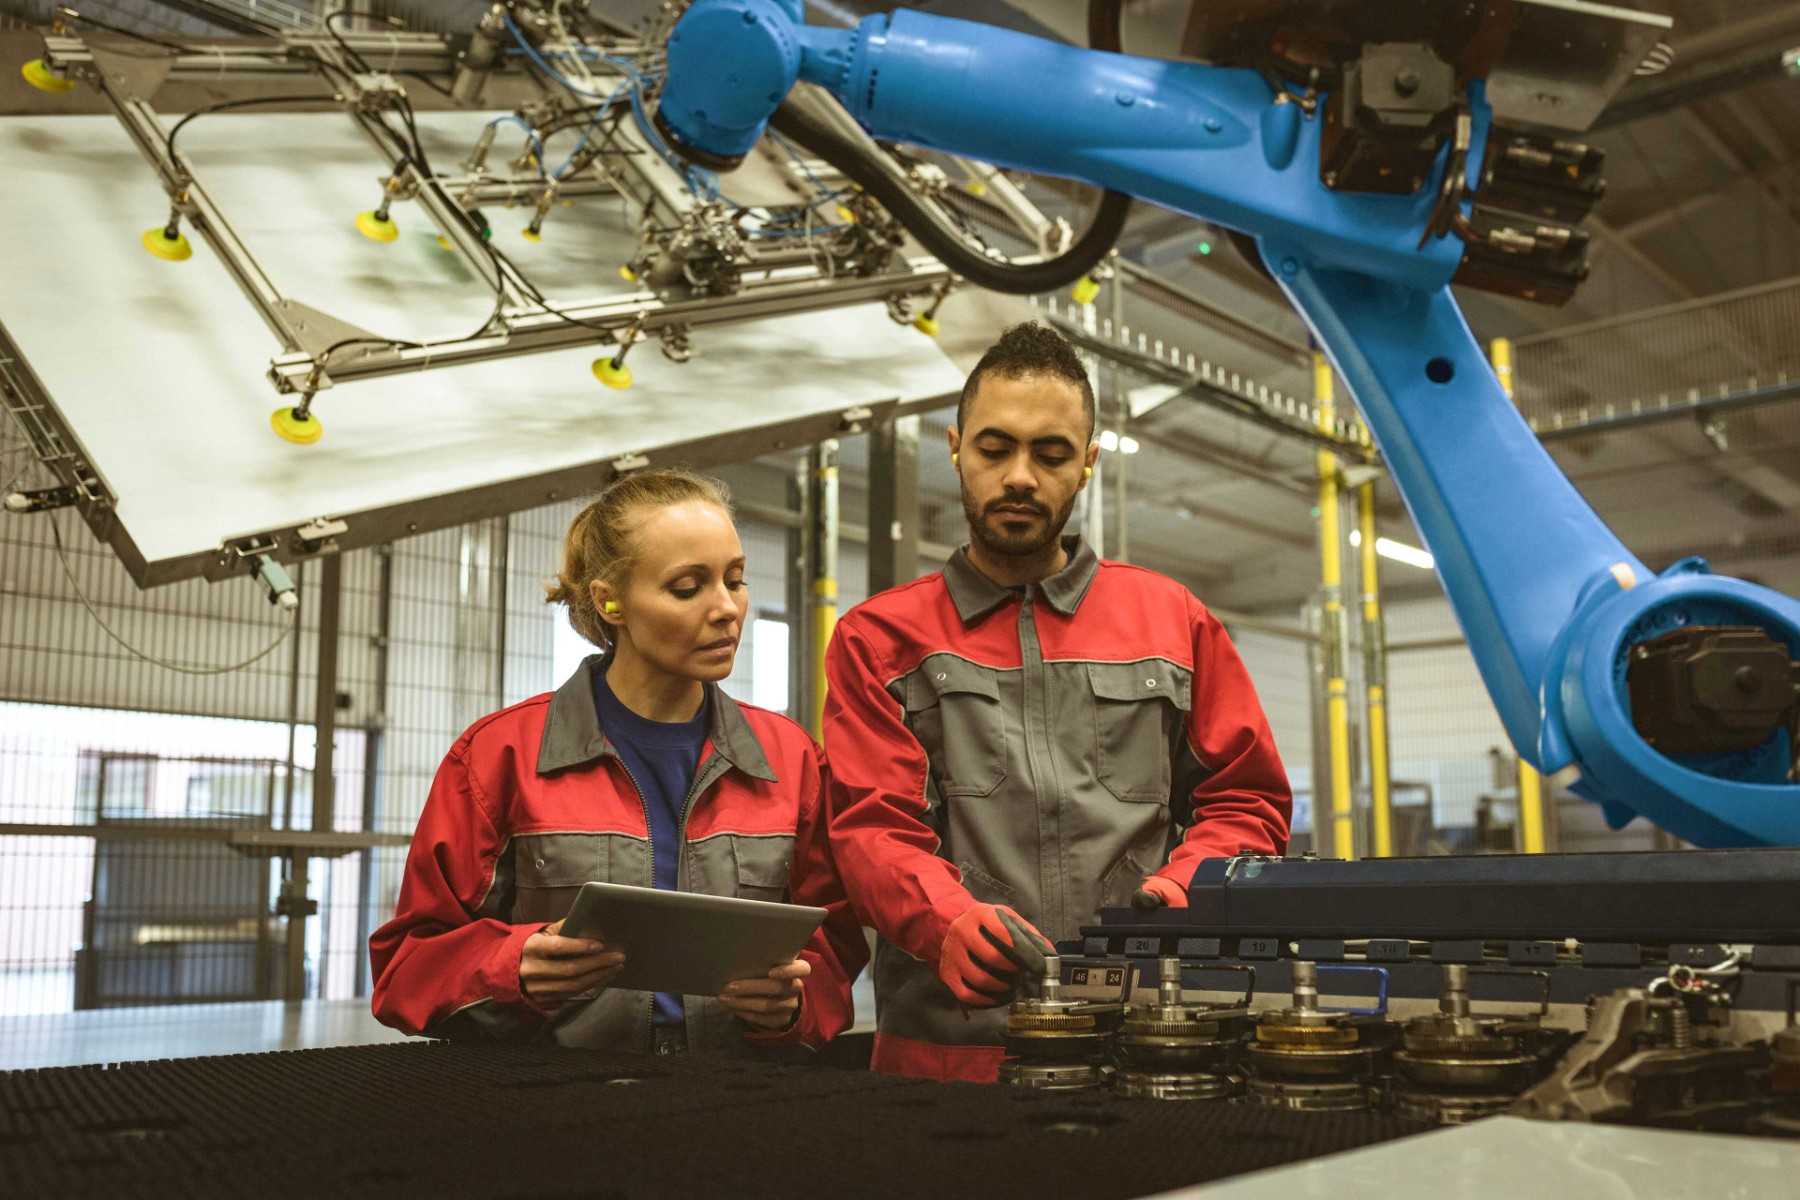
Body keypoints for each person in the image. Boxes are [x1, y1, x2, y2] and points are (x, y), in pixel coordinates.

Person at [823, 322, 1293, 1081]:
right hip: (948, 1050)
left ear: (1087, 465)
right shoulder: (879, 640)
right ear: (954, 447)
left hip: (1147, 1041)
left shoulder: (1176, 622)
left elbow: (1246, 800)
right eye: (994, 448)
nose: (1019, 476)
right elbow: (871, 827)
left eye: (1050, 454)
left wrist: (1187, 886)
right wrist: (945, 924)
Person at [371, 468, 866, 1056]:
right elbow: (407, 966)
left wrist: (794, 1005)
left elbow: (833, 945)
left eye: (735, 580)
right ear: (610, 600)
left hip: (737, 1092)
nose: (727, 609)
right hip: (554, 1099)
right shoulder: (499, 755)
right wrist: (512, 968)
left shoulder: (792, 760)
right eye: (687, 588)